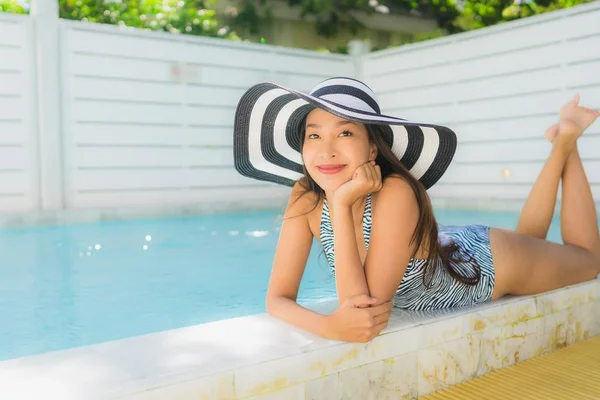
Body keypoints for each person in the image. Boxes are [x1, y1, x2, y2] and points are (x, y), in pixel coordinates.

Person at [233, 77, 600, 343]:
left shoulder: (395, 191)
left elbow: (363, 308)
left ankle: (567, 141)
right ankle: (561, 143)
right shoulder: (305, 196)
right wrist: (328, 327)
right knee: (532, 239)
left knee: (588, 261)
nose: (325, 150)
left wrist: (342, 204)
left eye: (345, 133)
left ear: (372, 149)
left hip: (487, 263)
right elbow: (277, 298)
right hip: (445, 247)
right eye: (314, 135)